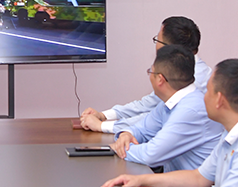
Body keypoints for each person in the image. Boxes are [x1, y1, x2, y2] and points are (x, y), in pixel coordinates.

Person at [101, 59, 238, 187]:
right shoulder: (230, 132)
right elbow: (199, 178)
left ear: (219, 100)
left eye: (208, 91)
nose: (203, 97)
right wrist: (141, 180)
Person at [80, 16, 211, 133]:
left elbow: (154, 121)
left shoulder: (193, 81)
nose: (156, 46)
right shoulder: (185, 70)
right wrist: (103, 116)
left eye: (157, 40)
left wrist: (102, 126)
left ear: (169, 48)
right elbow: (148, 104)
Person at [106, 44, 223, 171]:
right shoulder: (170, 102)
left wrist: (119, 148)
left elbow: (151, 155)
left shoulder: (191, 110)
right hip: (173, 177)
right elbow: (142, 129)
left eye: (150, 72)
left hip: (190, 183)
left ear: (160, 79)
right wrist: (126, 134)